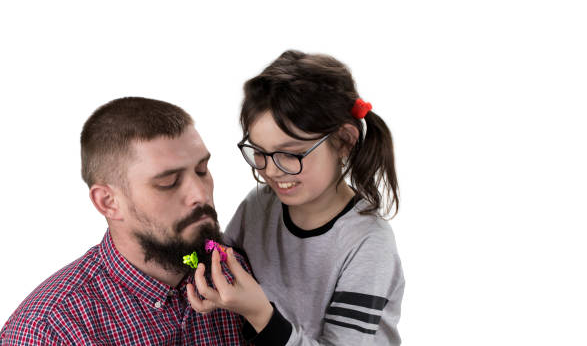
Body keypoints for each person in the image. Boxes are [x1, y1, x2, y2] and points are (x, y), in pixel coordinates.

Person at [187, 50, 404, 345]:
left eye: (291, 154)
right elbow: (224, 259)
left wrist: (260, 315)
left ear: (344, 141)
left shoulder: (367, 243)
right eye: (260, 153)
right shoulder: (260, 204)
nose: (273, 171)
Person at [0, 97, 252, 345]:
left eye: (201, 170)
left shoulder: (241, 275)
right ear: (108, 202)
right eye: (168, 183)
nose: (200, 194)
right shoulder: (49, 332)